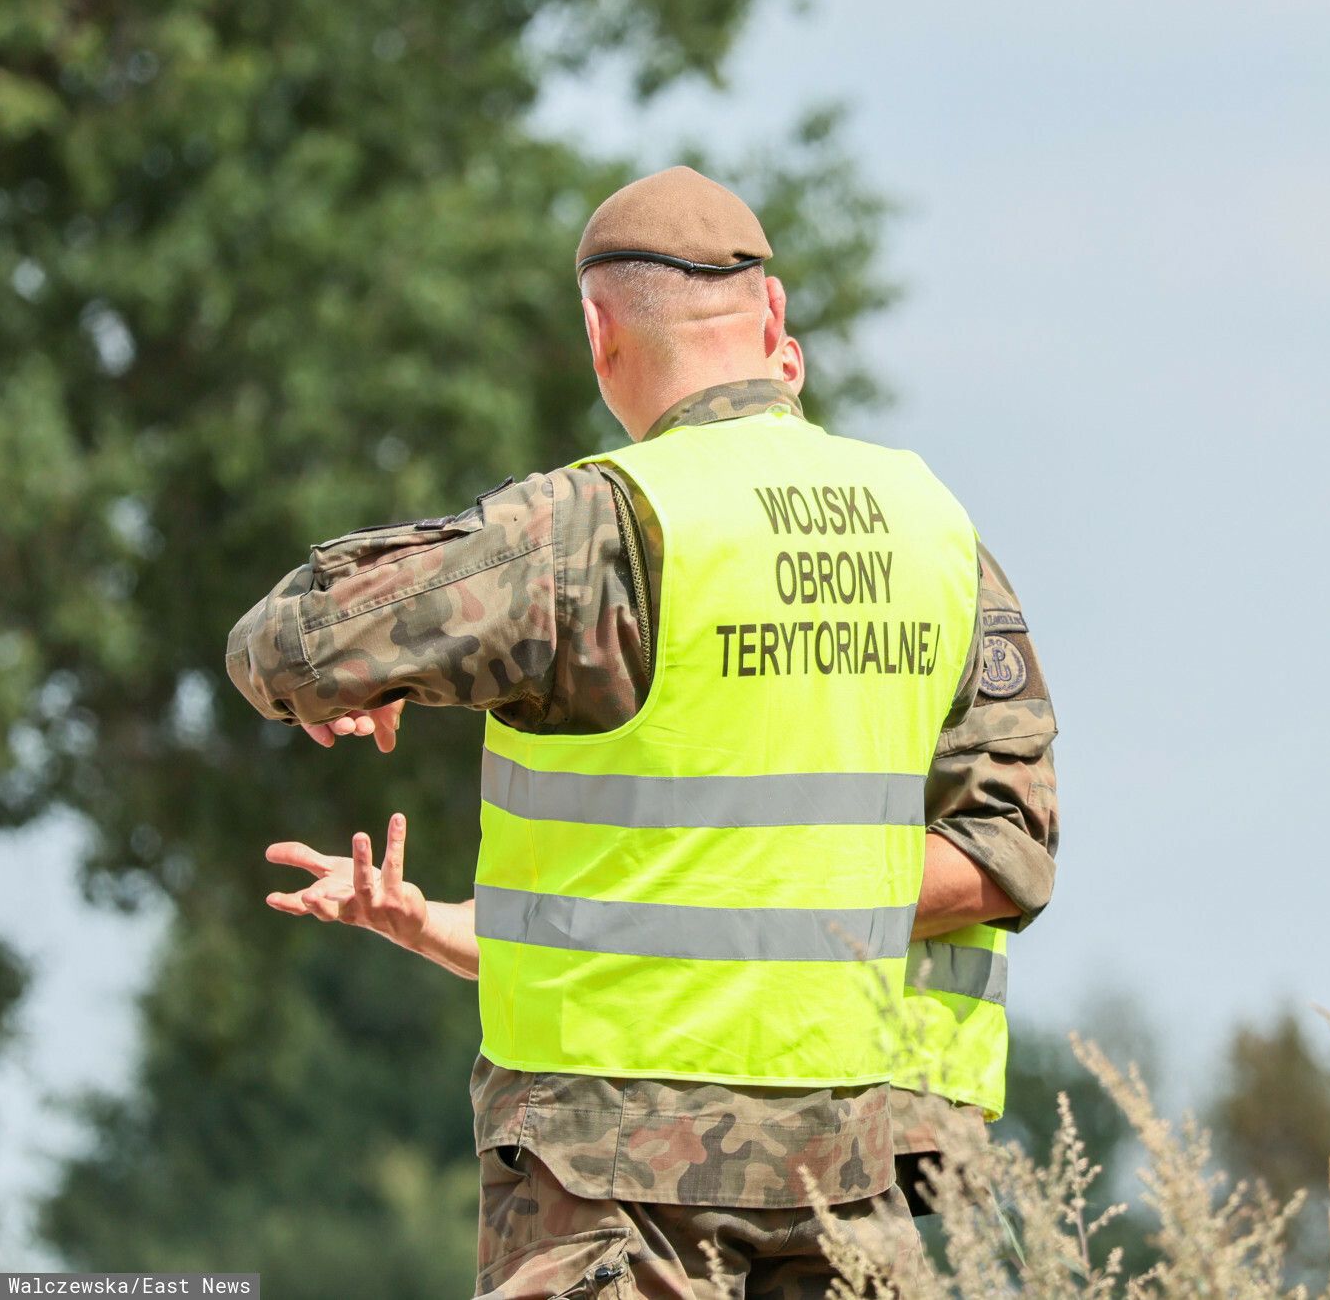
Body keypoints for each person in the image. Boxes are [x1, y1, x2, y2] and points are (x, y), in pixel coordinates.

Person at [224, 166, 1059, 1299]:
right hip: (865, 1183)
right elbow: (1003, 851)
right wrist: (459, 928)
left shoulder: (596, 525)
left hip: (616, 1182)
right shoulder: (933, 530)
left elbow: (287, 644)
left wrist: (379, 679)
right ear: (773, 322)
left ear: (595, 328)